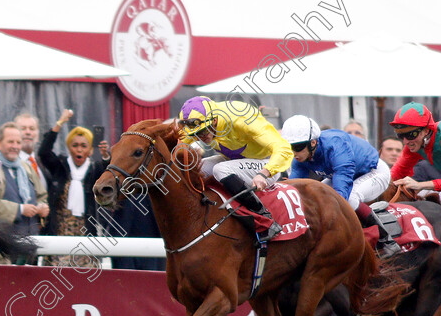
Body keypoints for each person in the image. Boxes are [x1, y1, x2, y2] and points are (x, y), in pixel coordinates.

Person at [281, 115, 398, 257]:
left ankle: (387, 240)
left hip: (374, 171)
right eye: (289, 147)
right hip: (345, 173)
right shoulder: (302, 155)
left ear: (313, 143)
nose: (294, 153)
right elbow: (294, 188)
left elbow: (342, 184)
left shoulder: (335, 144)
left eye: (297, 147)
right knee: (316, 195)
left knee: (347, 199)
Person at [178, 96, 292, 241]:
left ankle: (265, 220)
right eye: (196, 134)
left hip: (266, 162)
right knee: (195, 170)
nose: (201, 137)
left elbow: (284, 148)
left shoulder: (241, 119)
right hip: (235, 161)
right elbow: (177, 144)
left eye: (204, 131)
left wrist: (264, 173)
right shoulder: (200, 123)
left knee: (220, 170)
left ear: (214, 120)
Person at [38, 109, 109, 267]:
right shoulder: (60, 167)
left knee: (83, 284)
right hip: (59, 233)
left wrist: (105, 156)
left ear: (90, 150)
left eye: (84, 146)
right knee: (55, 278)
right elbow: (43, 152)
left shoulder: (95, 170)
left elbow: (109, 173)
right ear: (69, 148)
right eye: (75, 145)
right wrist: (59, 123)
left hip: (86, 234)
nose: (79, 149)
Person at [0, 122, 49, 264]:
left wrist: (42, 207)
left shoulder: (26, 167)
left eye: (18, 142)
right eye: (10, 141)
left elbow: (42, 195)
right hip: (2, 246)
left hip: (30, 243)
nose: (15, 146)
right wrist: (20, 209)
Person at [390, 102, 441, 193]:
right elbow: (397, 174)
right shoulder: (414, 145)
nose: (405, 141)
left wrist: (420, 185)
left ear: (426, 130)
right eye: (400, 135)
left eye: (411, 134)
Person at [14, 112, 49, 188]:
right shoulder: (10, 164)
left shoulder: (44, 164)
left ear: (38, 135)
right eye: (23, 129)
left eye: (32, 129)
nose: (28, 132)